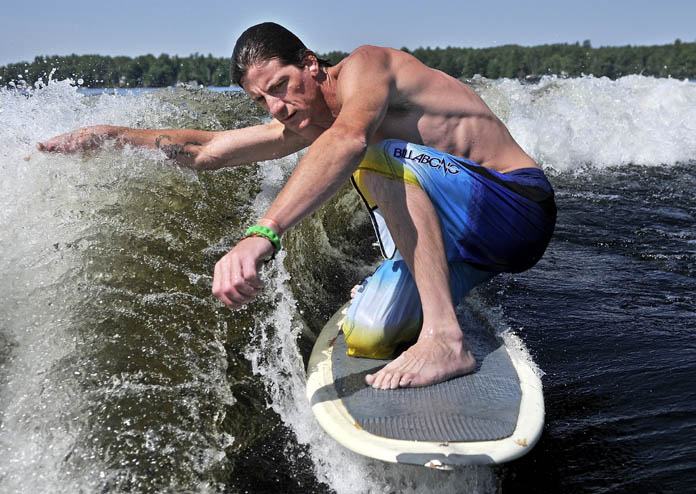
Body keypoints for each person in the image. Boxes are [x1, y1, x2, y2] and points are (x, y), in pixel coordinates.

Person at [37, 22, 556, 390]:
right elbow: (203, 152)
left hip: (517, 207)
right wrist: (111, 136)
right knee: (368, 335)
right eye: (263, 101)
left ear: (310, 64)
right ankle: (433, 295)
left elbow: (351, 138)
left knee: (375, 153)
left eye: (282, 86)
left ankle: (446, 338)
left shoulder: (367, 69)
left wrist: (261, 234)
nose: (278, 108)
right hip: (468, 244)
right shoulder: (307, 119)